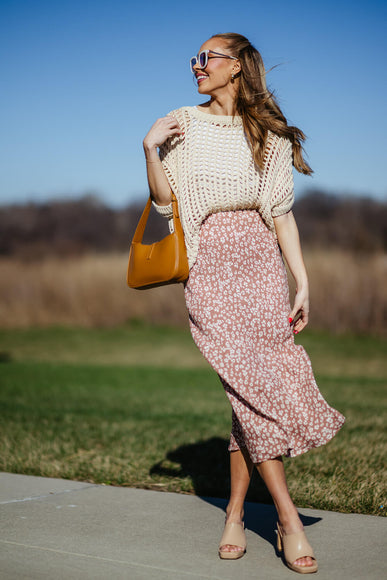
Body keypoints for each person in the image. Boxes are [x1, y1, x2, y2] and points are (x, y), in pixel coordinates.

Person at [142, 32, 345, 574]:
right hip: (210, 269)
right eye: (194, 59)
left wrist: (302, 281)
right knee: (244, 380)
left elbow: (281, 214)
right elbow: (167, 206)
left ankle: (234, 512)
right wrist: (150, 148)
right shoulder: (183, 121)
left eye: (206, 58)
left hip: (260, 267)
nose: (196, 67)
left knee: (246, 396)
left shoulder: (269, 134)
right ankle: (288, 518)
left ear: (237, 66)